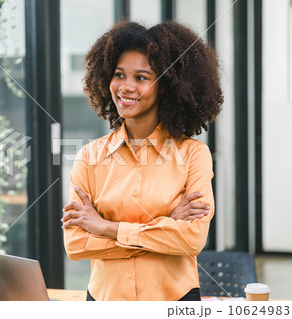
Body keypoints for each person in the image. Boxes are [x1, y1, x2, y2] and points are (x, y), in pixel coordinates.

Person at [61, 20, 223, 301]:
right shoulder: (90, 157)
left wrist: (104, 227)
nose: (126, 87)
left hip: (174, 301)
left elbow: (192, 239)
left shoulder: (193, 155)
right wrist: (164, 228)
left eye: (141, 78)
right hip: (105, 302)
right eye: (119, 74)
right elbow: (76, 244)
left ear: (168, 86)